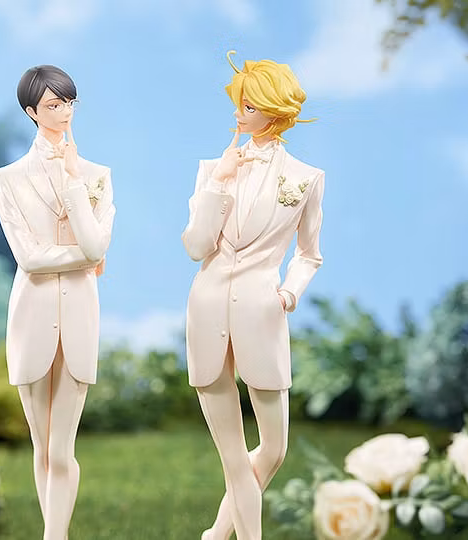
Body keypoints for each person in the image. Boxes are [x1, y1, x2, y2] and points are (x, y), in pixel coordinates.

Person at [182, 51, 325, 540]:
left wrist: (289, 293)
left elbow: (309, 254)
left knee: (273, 448)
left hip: (263, 312)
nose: (239, 114)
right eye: (239, 104)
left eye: (248, 106)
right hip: (206, 308)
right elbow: (195, 246)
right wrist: (218, 184)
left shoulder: (305, 178)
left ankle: (214, 535)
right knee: (233, 459)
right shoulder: (211, 170)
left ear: (274, 110)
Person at [0, 64, 115, 540]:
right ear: (32, 112)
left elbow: (96, 246)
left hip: (79, 318)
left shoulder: (97, 176)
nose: (64, 113)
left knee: (62, 450)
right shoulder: (9, 179)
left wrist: (73, 183)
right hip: (31, 315)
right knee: (42, 447)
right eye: (53, 105)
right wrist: (83, 258)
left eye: (68, 103)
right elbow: (28, 258)